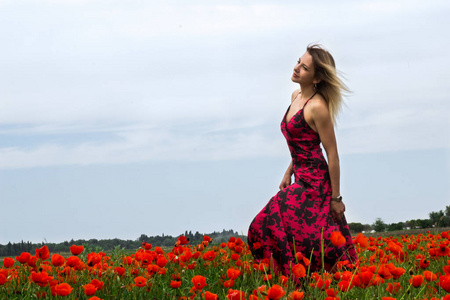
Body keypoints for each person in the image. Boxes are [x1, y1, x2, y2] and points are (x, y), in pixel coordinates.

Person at [247, 44, 357, 276]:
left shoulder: (317, 107)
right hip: (300, 177)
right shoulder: (295, 96)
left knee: (286, 229)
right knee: (269, 228)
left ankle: (299, 282)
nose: (296, 68)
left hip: (316, 184)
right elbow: (302, 144)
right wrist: (288, 172)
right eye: (298, 61)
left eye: (304, 68)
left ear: (316, 77)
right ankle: (293, 281)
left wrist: (336, 198)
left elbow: (332, 154)